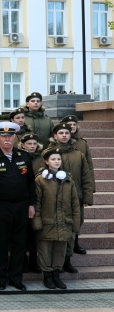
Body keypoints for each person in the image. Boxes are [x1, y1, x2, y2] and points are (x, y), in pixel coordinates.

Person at [0, 122, 34, 291]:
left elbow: (31, 183)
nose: (7, 139)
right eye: (3, 136)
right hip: (0, 207)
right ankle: (1, 278)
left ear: (15, 138)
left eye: (10, 136)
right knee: (1, 244)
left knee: (19, 243)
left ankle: (16, 278)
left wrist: (31, 204)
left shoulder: (24, 156)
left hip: (22, 206)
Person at [49, 122, 94, 274]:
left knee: (72, 230)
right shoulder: (48, 154)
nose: (64, 135)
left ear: (71, 135)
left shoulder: (78, 154)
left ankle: (67, 260)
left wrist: (87, 197)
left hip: (75, 198)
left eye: (67, 133)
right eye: (61, 133)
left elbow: (86, 177)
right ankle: (55, 262)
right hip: (53, 199)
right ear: (55, 135)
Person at [33, 147, 81, 290]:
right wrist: (37, 221)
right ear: (46, 162)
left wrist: (75, 223)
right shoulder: (40, 180)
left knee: (60, 251)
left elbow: (75, 204)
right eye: (53, 159)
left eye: (58, 159)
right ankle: (47, 276)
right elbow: (37, 203)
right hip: (47, 223)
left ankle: (56, 275)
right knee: (45, 250)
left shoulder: (68, 180)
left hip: (64, 223)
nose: (56, 161)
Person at [59, 114, 96, 256]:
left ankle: (75, 243)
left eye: (74, 125)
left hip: (78, 187)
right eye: (69, 125)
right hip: (61, 189)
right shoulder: (55, 146)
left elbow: (88, 168)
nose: (72, 127)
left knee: (78, 218)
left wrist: (89, 191)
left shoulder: (82, 144)